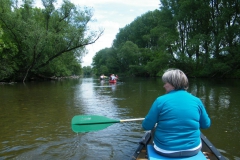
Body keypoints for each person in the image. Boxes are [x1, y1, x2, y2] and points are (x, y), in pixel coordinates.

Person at [142, 69, 211, 158]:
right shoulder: (197, 101)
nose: (164, 86)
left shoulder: (160, 100)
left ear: (173, 84)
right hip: (193, 150)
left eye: (166, 82)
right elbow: (206, 125)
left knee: (154, 126)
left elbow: (146, 126)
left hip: (165, 150)